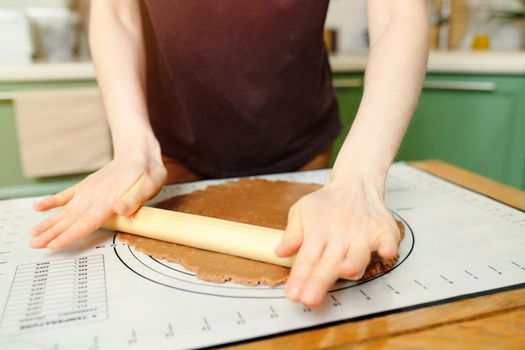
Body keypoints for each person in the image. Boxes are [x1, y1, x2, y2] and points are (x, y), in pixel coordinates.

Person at [29, 0, 429, 307]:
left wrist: (356, 181)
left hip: (302, 142)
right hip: (172, 149)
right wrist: (135, 148)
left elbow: (398, 13)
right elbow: (115, 12)